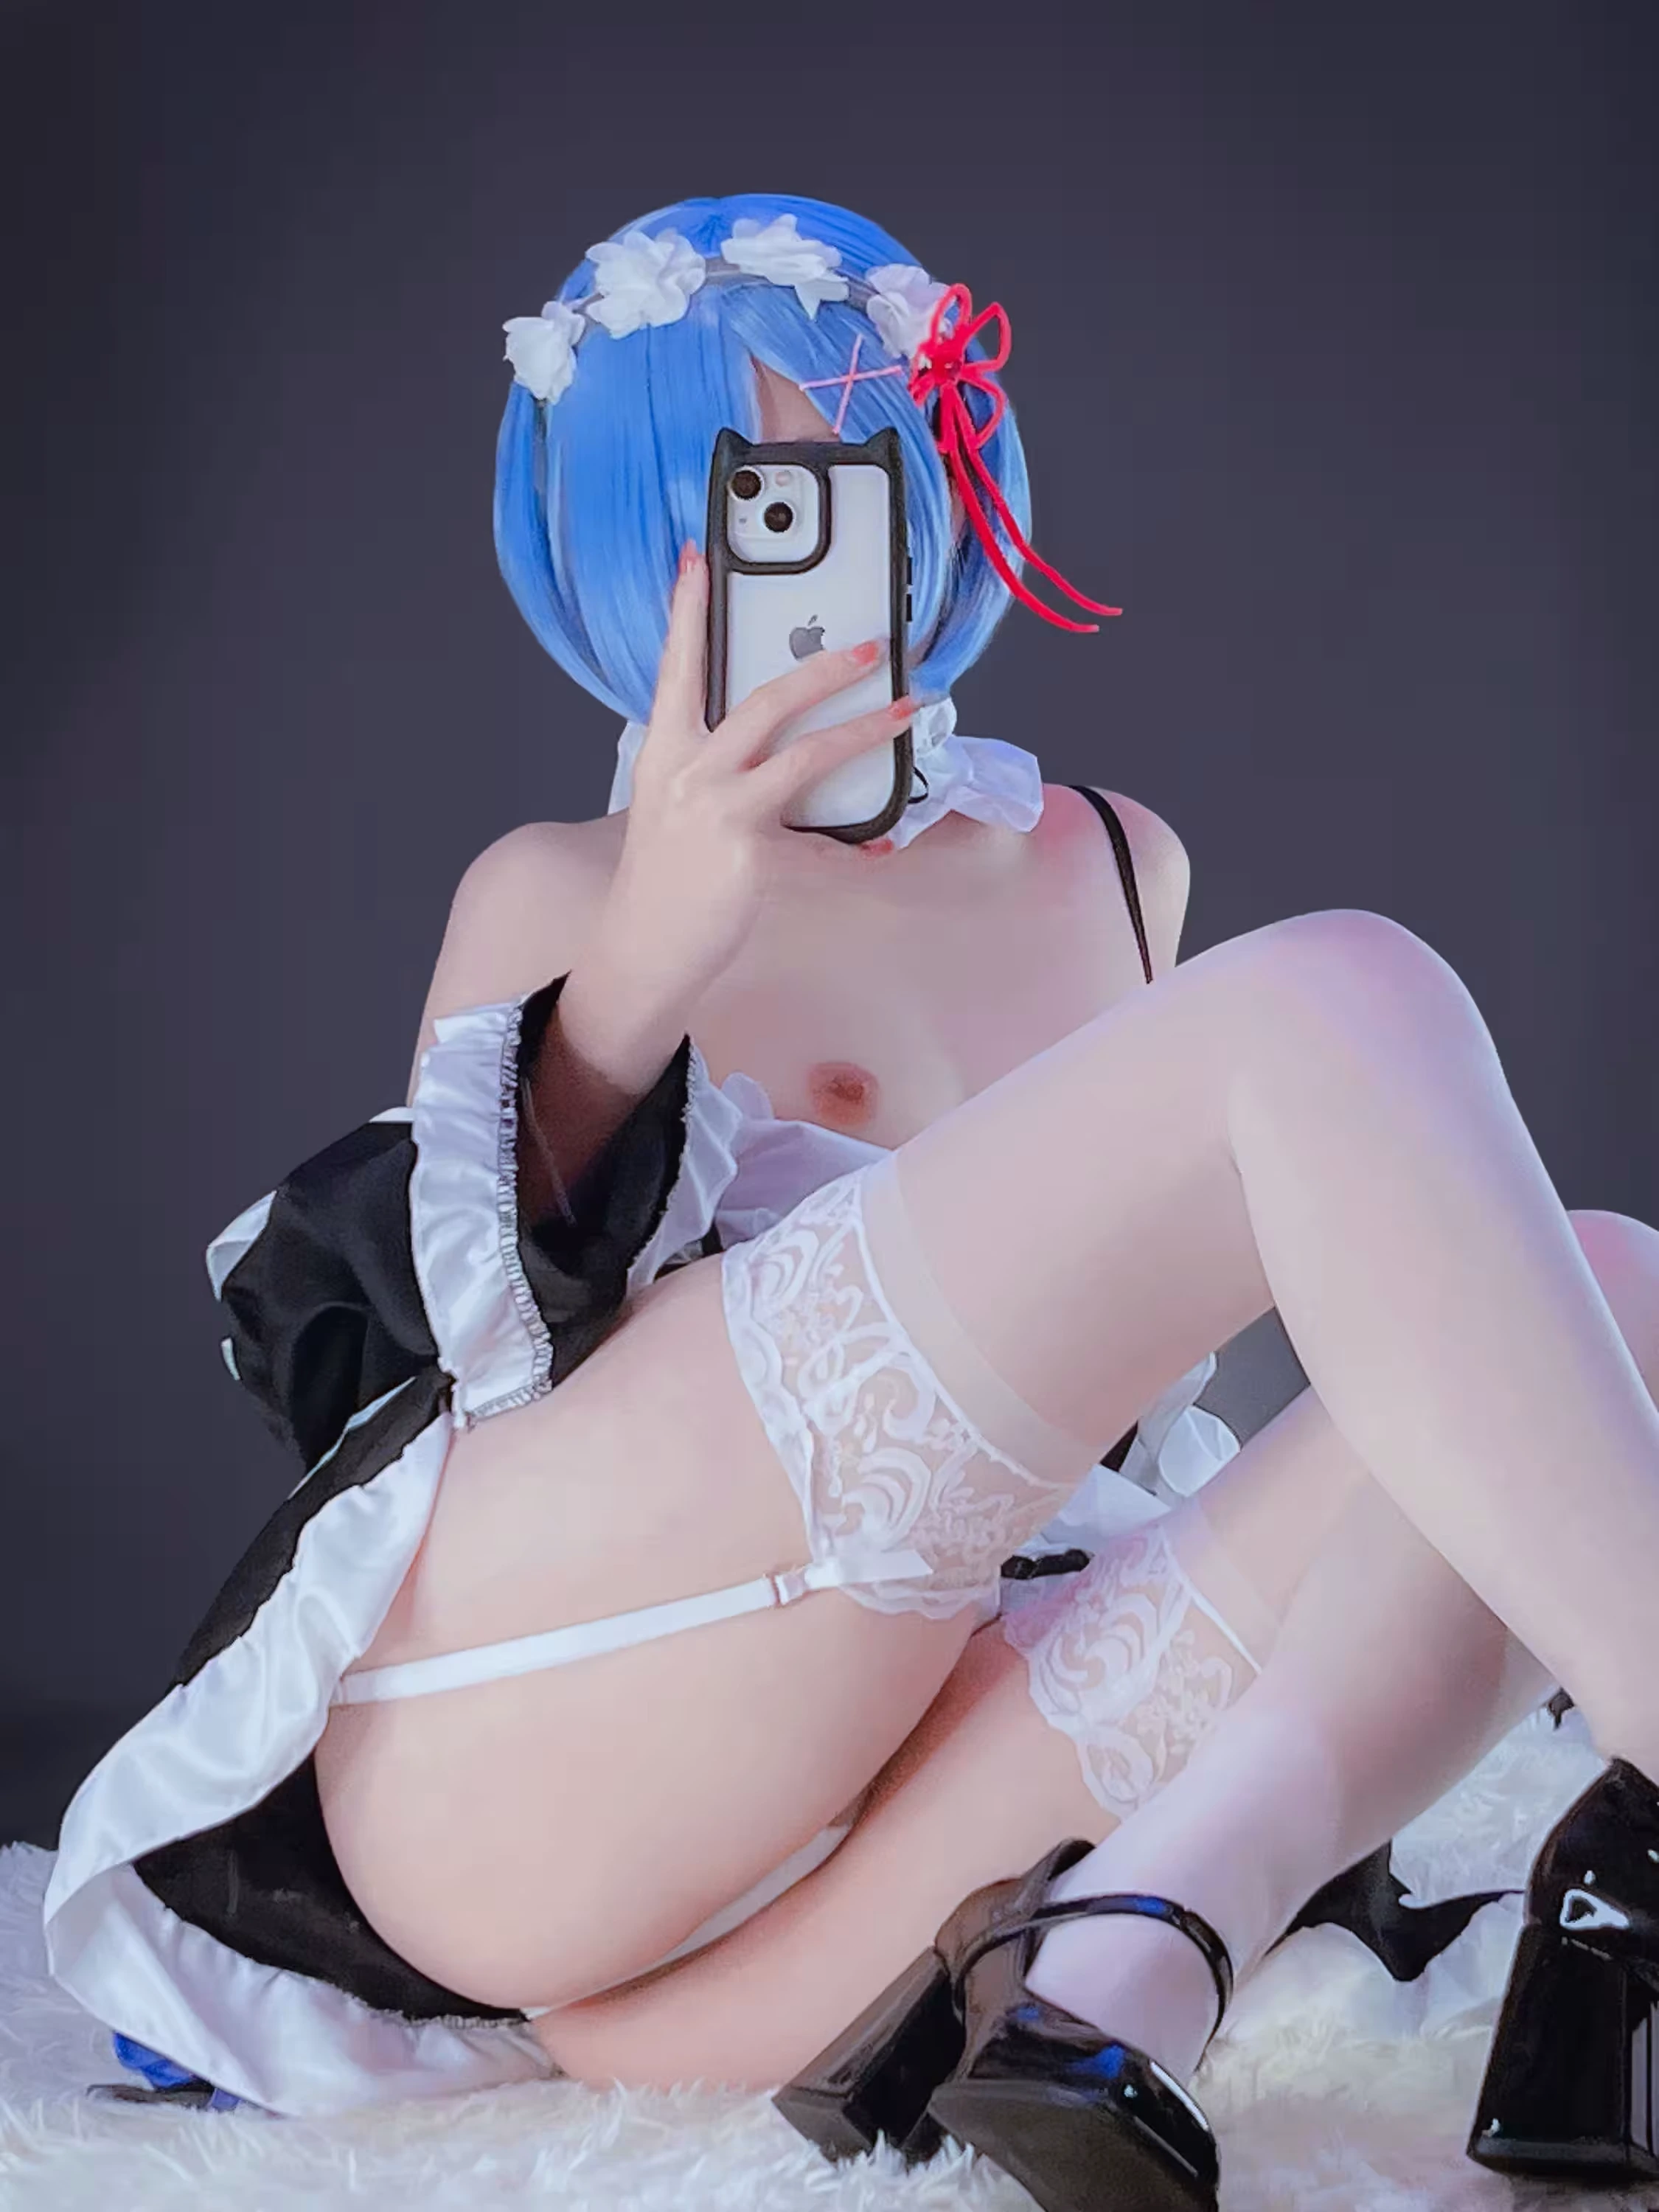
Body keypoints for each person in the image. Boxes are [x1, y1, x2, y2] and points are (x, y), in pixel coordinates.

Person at [43, 193, 1659, 2209]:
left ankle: (1127, 1963)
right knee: (1343, 996)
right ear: (631, 539)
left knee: (1618, 1290)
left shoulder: (1112, 863)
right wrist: (649, 956)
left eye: (867, 475)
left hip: (846, 1884)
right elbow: (468, 1365)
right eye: (745, 501)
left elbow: (1147, 1423)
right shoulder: (557, 890)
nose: (817, 540)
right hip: (536, 1759)